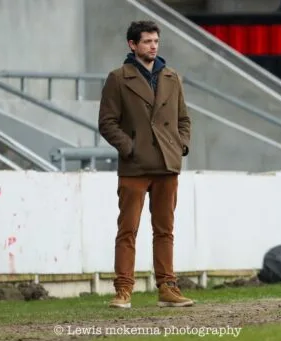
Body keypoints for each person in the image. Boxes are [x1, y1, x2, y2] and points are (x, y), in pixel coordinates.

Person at [98, 20, 193, 309]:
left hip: (167, 164)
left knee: (165, 230)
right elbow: (107, 122)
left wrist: (180, 146)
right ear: (133, 45)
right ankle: (123, 290)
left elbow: (183, 119)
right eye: (147, 41)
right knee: (128, 229)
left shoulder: (172, 77)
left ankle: (167, 287)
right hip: (135, 167)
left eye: (156, 41)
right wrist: (130, 148)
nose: (153, 46)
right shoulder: (118, 78)